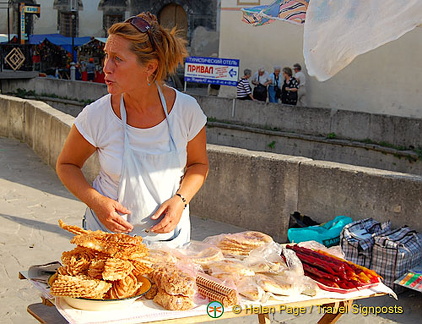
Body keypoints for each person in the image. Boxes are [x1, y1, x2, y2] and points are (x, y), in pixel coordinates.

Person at [56, 12, 209, 248]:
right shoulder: (97, 115)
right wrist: (97, 202)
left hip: (169, 244)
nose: (105, 67)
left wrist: (180, 201)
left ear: (149, 67)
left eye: (117, 58)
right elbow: (66, 165)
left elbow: (199, 165)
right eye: (106, 55)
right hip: (106, 242)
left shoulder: (186, 111)